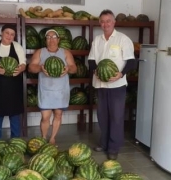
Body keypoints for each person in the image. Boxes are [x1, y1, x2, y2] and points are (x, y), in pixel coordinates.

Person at [88, 9, 136, 160]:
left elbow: (132, 61)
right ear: (99, 23)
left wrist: (120, 74)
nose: (105, 24)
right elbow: (91, 60)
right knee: (102, 117)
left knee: (116, 117)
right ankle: (104, 143)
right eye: (102, 21)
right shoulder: (97, 40)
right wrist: (96, 70)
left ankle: (114, 148)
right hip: (100, 85)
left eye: (108, 21)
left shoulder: (123, 39)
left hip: (117, 85)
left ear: (114, 22)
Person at [28, 29, 77, 145]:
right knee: (45, 117)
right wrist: (40, 68)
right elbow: (31, 67)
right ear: (45, 40)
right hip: (45, 90)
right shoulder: (40, 52)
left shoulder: (66, 53)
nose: (51, 39)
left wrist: (68, 69)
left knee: (58, 115)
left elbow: (74, 68)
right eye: (48, 37)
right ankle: (44, 138)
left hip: (61, 90)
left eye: (54, 37)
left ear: (58, 39)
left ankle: (52, 138)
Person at [0, 24, 26, 140]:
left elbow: (23, 64)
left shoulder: (17, 47)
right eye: (7, 33)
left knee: (15, 115)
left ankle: (15, 141)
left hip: (14, 86)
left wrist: (20, 69)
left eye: (12, 34)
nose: (9, 36)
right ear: (1, 33)